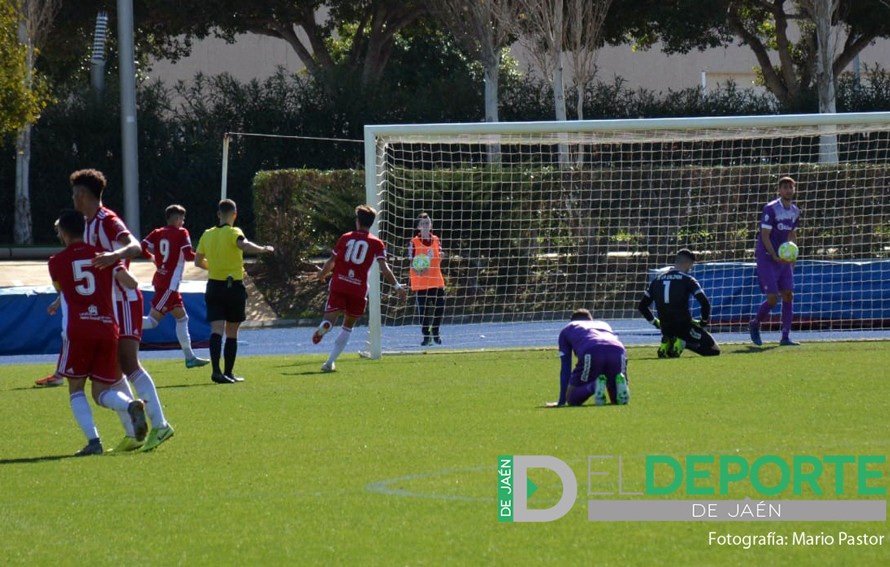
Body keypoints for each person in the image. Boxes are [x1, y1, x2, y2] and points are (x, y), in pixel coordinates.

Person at [72, 168, 173, 453]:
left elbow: (135, 245)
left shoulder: (106, 220)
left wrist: (115, 258)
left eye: (75, 194)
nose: (74, 199)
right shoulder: (88, 223)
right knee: (112, 370)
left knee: (129, 363)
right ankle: (133, 432)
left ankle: (161, 424)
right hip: (108, 303)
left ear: (83, 194)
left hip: (124, 301)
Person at [48, 210, 148, 456]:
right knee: (102, 391)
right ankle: (129, 404)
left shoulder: (56, 261)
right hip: (107, 328)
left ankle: (94, 441)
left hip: (78, 330)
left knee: (76, 389)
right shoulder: (103, 256)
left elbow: (63, 290)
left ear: (63, 233)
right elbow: (131, 283)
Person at [312, 205, 407, 372]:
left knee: (330, 318)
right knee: (347, 326)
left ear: (357, 221)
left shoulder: (345, 238)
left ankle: (325, 325)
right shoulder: (376, 243)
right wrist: (397, 286)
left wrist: (321, 274)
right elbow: (384, 268)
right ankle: (329, 362)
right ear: (371, 223)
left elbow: (331, 262)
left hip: (339, 283)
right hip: (358, 288)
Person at [194, 199, 275, 384]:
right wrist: (262, 249)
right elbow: (243, 244)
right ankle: (229, 372)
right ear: (234, 214)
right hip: (232, 287)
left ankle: (216, 371)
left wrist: (215, 267)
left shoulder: (207, 234)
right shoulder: (234, 232)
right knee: (232, 331)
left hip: (214, 285)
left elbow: (198, 261)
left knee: (216, 329)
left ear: (218, 214)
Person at [141, 204, 209, 368]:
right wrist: (208, 255)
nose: (183, 222)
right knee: (152, 321)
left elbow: (141, 246)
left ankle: (190, 357)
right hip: (169, 285)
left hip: (163, 282)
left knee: (182, 318)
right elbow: (188, 256)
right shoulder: (181, 233)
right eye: (182, 219)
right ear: (177, 218)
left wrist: (152, 258)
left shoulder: (157, 232)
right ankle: (120, 323)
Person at [638, 248, 721, 358]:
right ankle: (683, 342)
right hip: (684, 326)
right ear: (686, 262)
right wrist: (703, 322)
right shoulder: (688, 279)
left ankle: (667, 343)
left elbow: (642, 306)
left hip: (665, 327)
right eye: (691, 264)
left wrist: (654, 322)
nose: (691, 268)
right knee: (714, 350)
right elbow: (705, 302)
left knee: (671, 353)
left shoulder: (657, 280)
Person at [749, 176, 801, 347]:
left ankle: (785, 337)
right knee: (773, 298)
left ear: (794, 190)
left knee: (788, 294)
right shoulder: (771, 209)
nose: (788, 190)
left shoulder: (795, 211)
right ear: (779, 191)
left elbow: (792, 235)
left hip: (783, 258)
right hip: (767, 257)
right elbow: (764, 236)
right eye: (784, 187)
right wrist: (774, 255)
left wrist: (792, 256)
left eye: (790, 187)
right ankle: (755, 323)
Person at [547, 309, 629, 407]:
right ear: (591, 320)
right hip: (618, 350)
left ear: (572, 320)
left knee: (572, 399)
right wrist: (625, 377)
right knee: (615, 400)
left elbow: (566, 368)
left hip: (592, 350)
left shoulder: (568, 328)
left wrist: (561, 401)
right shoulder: (603, 324)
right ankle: (620, 388)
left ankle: (595, 385)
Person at [408, 213, 446, 346]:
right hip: (421, 282)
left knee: (440, 307)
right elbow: (411, 261)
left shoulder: (436, 239)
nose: (425, 226)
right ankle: (426, 336)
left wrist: (441, 256)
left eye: (427, 223)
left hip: (436, 280)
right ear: (418, 226)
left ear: (431, 225)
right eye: (423, 224)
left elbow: (439, 257)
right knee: (423, 312)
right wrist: (419, 269)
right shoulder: (414, 242)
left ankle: (435, 330)